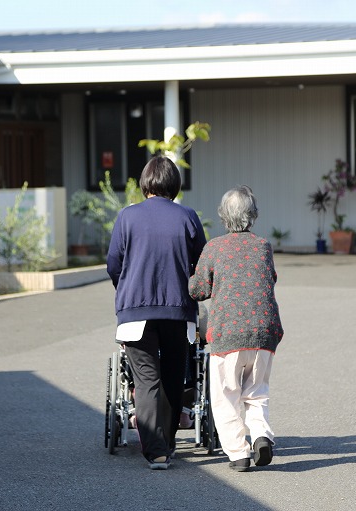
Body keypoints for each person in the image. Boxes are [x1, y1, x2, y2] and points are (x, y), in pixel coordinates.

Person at [106, 155, 207, 470]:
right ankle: (168, 440)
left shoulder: (127, 217)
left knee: (147, 378)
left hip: (136, 310)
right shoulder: (187, 217)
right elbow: (201, 266)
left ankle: (155, 450)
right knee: (175, 376)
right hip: (177, 309)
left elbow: (113, 264)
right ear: (175, 186)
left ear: (144, 184)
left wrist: (126, 289)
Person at [188, 185, 284, 472]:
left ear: (223, 216)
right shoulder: (263, 246)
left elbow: (199, 289)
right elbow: (271, 279)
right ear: (252, 215)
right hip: (264, 332)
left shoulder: (214, 247)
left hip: (227, 334)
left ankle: (239, 454)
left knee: (225, 395)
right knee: (256, 392)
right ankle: (261, 436)